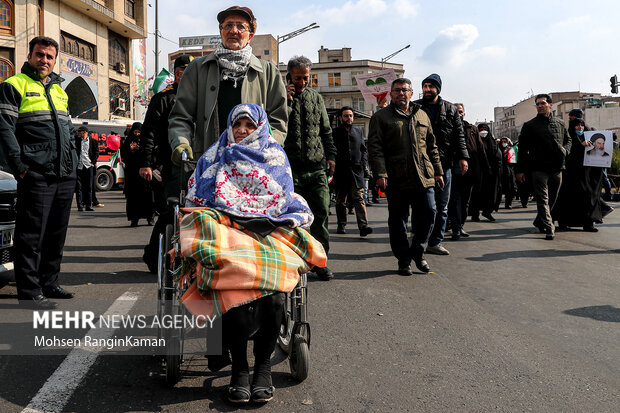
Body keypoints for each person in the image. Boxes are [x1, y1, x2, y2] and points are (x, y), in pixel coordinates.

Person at [181, 104, 325, 404]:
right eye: (238, 124)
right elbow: (199, 192)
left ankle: (262, 369)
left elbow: (281, 193)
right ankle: (239, 371)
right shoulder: (216, 153)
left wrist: (257, 212)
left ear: (259, 127)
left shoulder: (274, 154)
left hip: (268, 226)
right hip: (227, 225)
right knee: (232, 283)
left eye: (249, 124)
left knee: (273, 291)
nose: (243, 130)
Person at [0, 36, 77, 309]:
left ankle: (49, 282)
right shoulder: (13, 85)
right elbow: (5, 130)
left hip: (64, 172)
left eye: (49, 57)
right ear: (30, 56)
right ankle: (29, 292)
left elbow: (67, 130)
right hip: (35, 173)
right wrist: (20, 168)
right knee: (31, 235)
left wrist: (73, 164)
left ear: (55, 60)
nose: (44, 60)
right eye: (40, 55)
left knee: (57, 233)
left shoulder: (60, 90)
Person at [168, 5, 287, 170]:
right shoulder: (197, 69)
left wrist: (266, 147)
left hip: (253, 167)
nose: (234, 30)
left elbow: (278, 120)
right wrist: (181, 143)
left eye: (241, 26)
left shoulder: (267, 72)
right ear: (221, 31)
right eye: (228, 25)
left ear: (250, 35)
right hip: (207, 164)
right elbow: (181, 116)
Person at [368, 78, 443, 275]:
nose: (401, 93)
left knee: (429, 212)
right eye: (397, 90)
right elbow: (375, 148)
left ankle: (418, 252)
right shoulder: (381, 117)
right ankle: (404, 259)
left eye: (405, 90)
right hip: (396, 176)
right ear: (391, 94)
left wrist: (438, 171)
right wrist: (380, 173)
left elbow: (432, 146)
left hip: (423, 175)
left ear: (411, 93)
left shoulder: (422, 115)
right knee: (398, 221)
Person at [283, 55, 337, 280]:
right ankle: (293, 261)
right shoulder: (279, 96)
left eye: (306, 78)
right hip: (291, 169)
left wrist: (331, 156)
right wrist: (284, 99)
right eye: (297, 78)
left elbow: (326, 131)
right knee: (291, 219)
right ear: (289, 76)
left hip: (317, 169)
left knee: (321, 214)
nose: (302, 83)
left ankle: (319, 261)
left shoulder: (316, 98)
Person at [139, 54, 192, 273]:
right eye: (182, 72)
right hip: (172, 164)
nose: (186, 76)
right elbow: (148, 132)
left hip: (197, 162)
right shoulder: (163, 99)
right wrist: (146, 163)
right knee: (172, 210)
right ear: (176, 74)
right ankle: (154, 257)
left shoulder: (199, 96)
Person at [414, 74, 468, 256]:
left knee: (442, 205)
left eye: (431, 86)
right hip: (419, 163)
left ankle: (435, 242)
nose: (427, 89)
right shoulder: (415, 107)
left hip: (444, 164)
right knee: (422, 206)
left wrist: (463, 157)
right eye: (425, 86)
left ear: (438, 89)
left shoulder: (450, 109)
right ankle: (418, 240)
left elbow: (459, 135)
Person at [516, 94, 572, 240]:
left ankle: (540, 221)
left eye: (543, 103)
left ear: (550, 105)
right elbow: (522, 149)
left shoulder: (559, 123)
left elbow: (568, 140)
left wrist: (566, 151)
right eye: (537, 104)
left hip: (557, 167)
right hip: (538, 168)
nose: (540, 106)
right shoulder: (529, 126)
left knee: (553, 198)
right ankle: (549, 227)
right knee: (542, 199)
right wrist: (520, 170)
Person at [552, 118, 603, 231]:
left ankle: (588, 223)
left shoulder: (588, 137)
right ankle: (564, 222)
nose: (580, 127)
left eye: (582, 125)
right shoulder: (567, 139)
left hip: (585, 175)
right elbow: (567, 153)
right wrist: (580, 145)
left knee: (587, 197)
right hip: (570, 175)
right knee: (568, 198)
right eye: (577, 125)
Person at [449, 103, 488, 239]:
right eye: (456, 112)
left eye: (460, 111)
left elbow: (480, 149)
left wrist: (484, 168)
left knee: (465, 201)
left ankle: (460, 226)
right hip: (453, 171)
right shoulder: (448, 128)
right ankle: (455, 228)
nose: (458, 114)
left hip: (470, 171)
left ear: (464, 113)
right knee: (455, 201)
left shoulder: (472, 129)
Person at [333, 106, 373, 237]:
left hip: (357, 171)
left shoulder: (358, 132)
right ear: (340, 118)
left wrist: (364, 163)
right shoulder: (335, 133)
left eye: (350, 116)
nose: (349, 118)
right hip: (340, 171)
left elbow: (363, 150)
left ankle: (363, 226)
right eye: (346, 116)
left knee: (359, 198)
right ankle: (341, 224)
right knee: (341, 200)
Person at [121, 122, 154, 227]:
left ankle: (150, 218)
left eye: (139, 132)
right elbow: (125, 158)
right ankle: (134, 219)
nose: (137, 134)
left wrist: (139, 150)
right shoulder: (127, 142)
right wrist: (130, 150)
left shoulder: (146, 142)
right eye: (135, 132)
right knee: (133, 199)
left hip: (144, 176)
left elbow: (149, 155)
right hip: (132, 175)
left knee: (148, 197)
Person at [470, 123, 502, 221]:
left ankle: (487, 212)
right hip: (479, 172)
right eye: (481, 129)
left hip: (491, 173)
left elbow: (498, 156)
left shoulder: (492, 142)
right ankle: (475, 214)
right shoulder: (475, 142)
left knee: (491, 193)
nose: (483, 131)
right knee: (477, 193)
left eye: (485, 129)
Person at [74, 126, 98, 212]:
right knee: (79, 187)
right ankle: (80, 206)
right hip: (79, 167)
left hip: (88, 166)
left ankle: (88, 205)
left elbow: (96, 152)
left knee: (89, 187)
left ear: (85, 132)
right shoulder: (76, 141)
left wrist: (93, 162)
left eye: (79, 132)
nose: (78, 133)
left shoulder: (93, 141)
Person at [500, 137, 517, 209]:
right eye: (502, 141)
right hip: (500, 171)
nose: (504, 143)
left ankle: (508, 203)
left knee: (510, 188)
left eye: (505, 141)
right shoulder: (498, 149)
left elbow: (513, 161)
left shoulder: (511, 149)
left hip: (509, 171)